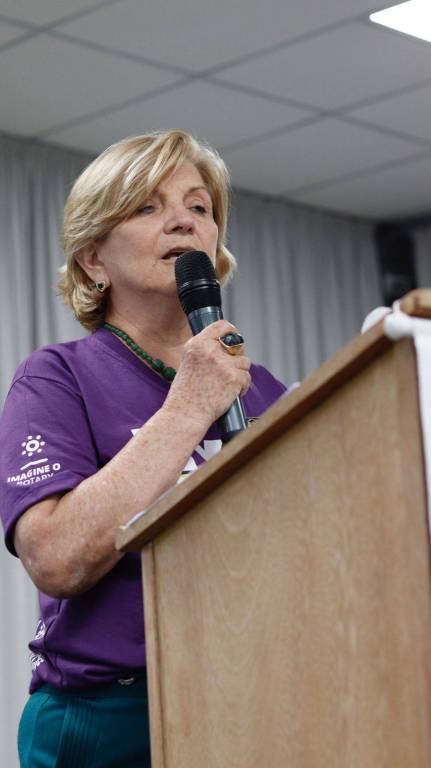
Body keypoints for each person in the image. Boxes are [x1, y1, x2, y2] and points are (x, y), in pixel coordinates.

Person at [0, 130, 286, 767]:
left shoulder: (263, 389)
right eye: (147, 207)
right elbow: (56, 558)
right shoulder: (56, 377)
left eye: (199, 206)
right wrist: (186, 409)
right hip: (110, 717)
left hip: (253, 690)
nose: (183, 220)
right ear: (93, 261)